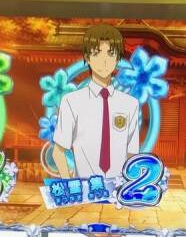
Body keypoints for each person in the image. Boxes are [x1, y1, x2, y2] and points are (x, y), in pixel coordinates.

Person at [52, 24, 139, 180]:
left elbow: (132, 154)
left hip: (118, 188)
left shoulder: (130, 104)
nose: (104, 61)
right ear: (87, 57)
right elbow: (58, 152)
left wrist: (129, 186)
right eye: (97, 53)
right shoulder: (71, 102)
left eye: (110, 54)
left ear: (118, 58)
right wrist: (70, 186)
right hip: (84, 186)